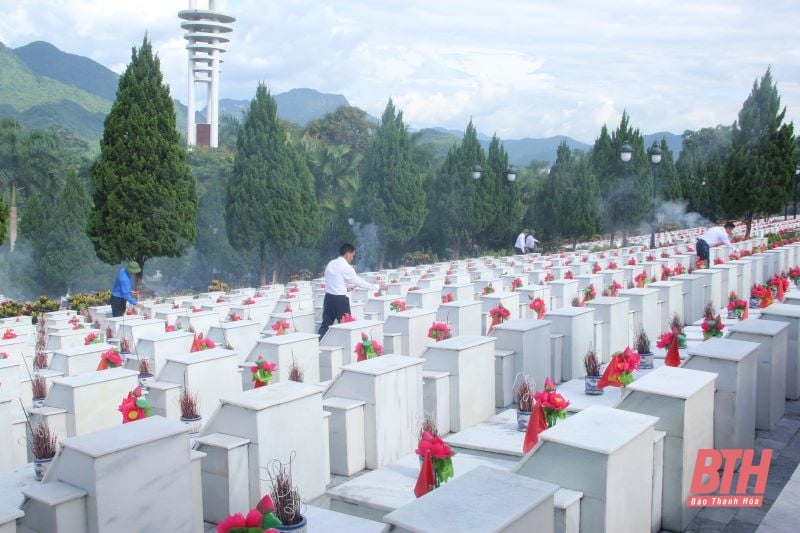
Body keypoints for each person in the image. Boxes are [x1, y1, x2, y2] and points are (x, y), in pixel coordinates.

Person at [318, 243, 379, 338]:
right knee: (347, 327)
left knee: (325, 326)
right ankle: (348, 349)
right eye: (352, 256)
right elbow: (358, 282)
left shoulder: (331, 263)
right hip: (340, 301)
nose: (352, 258)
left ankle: (317, 346)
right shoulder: (346, 267)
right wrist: (377, 287)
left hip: (328, 298)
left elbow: (332, 281)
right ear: (347, 254)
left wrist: (345, 288)